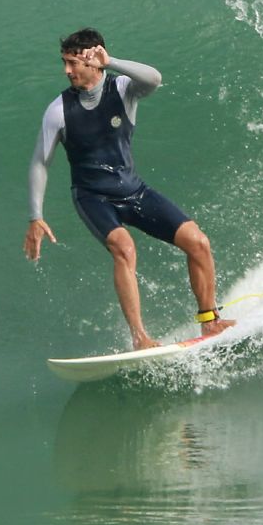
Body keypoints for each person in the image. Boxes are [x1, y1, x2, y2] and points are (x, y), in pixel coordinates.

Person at [23, 27, 235, 350]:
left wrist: (113, 62)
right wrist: (35, 217)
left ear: (94, 60)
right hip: (93, 197)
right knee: (125, 248)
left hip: (133, 191)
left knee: (199, 243)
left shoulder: (122, 90)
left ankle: (210, 320)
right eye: (64, 63)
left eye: (72, 63)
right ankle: (140, 338)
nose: (66, 71)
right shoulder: (59, 110)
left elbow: (154, 78)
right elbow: (41, 161)